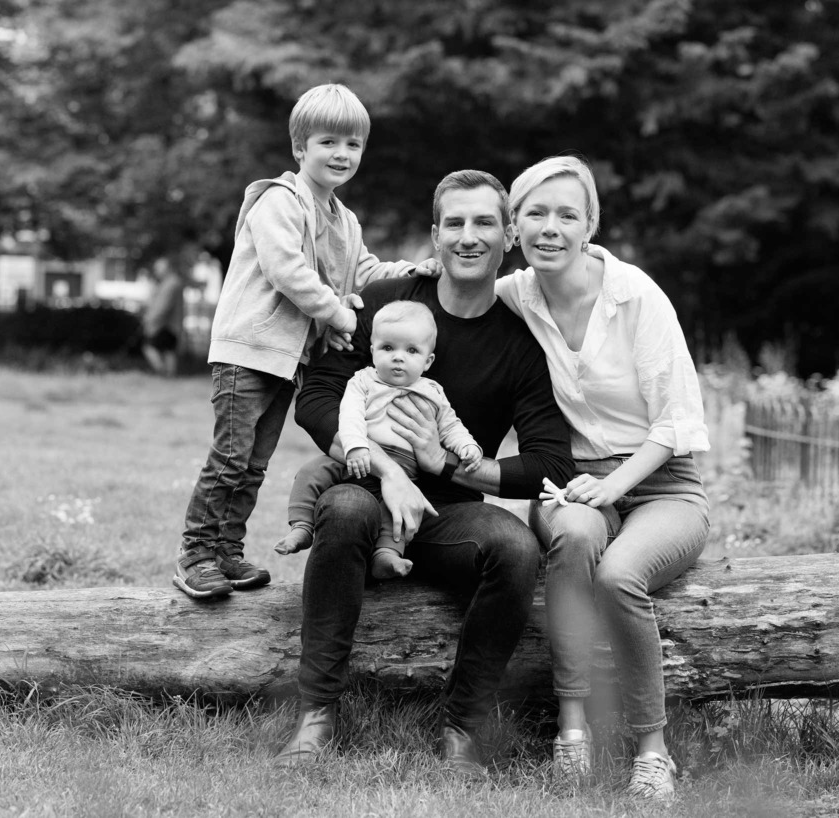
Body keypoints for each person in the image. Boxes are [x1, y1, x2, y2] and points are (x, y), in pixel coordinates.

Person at [275, 169, 574, 774]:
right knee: (347, 508)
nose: (469, 237)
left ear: (509, 235)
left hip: (449, 512)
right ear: (435, 235)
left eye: (484, 222)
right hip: (363, 486)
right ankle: (317, 715)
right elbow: (317, 398)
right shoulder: (384, 307)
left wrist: (448, 468)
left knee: (514, 549)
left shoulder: (520, 343)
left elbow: (550, 464)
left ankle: (463, 727)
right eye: (455, 224)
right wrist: (388, 470)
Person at [495, 155, 711, 802]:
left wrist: (616, 487)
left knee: (620, 575)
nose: (551, 227)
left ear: (590, 225)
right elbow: (447, 282)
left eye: (568, 214)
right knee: (578, 541)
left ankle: (651, 750)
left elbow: (678, 421)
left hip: (663, 482)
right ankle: (573, 732)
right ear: (515, 226)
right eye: (536, 213)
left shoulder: (634, 295)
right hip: (569, 482)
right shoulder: (515, 296)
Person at [173, 83, 434, 600]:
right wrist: (338, 316)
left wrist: (411, 270)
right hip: (248, 349)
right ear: (300, 149)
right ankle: (196, 554)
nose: (342, 154)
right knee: (230, 456)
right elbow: (286, 269)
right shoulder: (279, 200)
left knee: (253, 462)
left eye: (353, 145)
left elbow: (363, 271)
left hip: (286, 360)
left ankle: (228, 551)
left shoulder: (345, 220)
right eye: (328, 142)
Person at [274, 299, 483, 579]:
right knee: (312, 471)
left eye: (411, 350)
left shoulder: (432, 391)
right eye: (388, 348)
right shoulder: (363, 381)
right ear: (372, 351)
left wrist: (467, 446)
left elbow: (450, 426)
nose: (398, 357)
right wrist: (356, 445)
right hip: (358, 456)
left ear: (428, 360)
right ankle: (301, 526)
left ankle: (387, 555)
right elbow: (348, 414)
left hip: (406, 470)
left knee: (399, 509)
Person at [141, 253, 187, 377]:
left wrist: (149, 319)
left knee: (149, 347)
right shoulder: (171, 282)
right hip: (173, 325)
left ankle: (161, 371)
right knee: (169, 351)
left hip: (166, 324)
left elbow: (163, 306)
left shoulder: (170, 284)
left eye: (158, 268)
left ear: (166, 268)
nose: (156, 271)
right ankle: (169, 375)